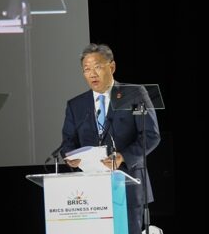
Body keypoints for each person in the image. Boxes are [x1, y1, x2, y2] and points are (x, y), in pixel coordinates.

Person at [59, 43, 160, 234]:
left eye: (97, 67)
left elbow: (151, 135)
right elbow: (68, 142)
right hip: (90, 190)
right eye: (86, 69)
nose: (92, 74)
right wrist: (70, 158)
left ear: (112, 67)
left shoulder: (134, 94)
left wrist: (123, 157)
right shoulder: (76, 105)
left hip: (128, 184)